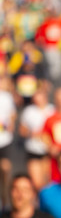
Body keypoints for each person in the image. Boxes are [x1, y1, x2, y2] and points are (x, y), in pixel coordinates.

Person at [19, 90, 55, 190]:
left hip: (48, 151)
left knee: (48, 182)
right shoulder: (29, 111)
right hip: (33, 150)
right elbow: (22, 130)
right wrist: (31, 133)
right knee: (36, 183)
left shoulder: (52, 110)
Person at [0, 78, 16, 210]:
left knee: (5, 168)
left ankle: (6, 200)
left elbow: (12, 114)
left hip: (4, 139)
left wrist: (11, 124)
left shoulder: (6, 97)